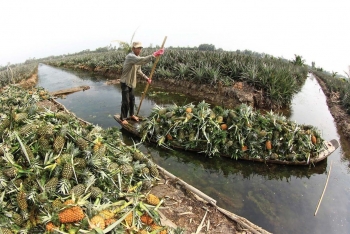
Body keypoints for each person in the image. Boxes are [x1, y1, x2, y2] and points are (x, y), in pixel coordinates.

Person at [120, 41, 164, 125]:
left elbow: (139, 70)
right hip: (125, 82)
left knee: (132, 100)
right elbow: (141, 60)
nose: (139, 50)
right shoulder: (130, 57)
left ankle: (132, 114)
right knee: (126, 101)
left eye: (140, 48)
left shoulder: (137, 58)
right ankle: (123, 118)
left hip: (131, 83)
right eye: (138, 48)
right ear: (133, 49)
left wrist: (146, 78)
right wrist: (153, 55)